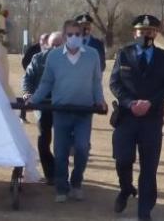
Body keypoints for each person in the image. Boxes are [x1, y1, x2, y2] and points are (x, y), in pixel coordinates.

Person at [29, 20, 106, 203]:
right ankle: (62, 188)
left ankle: (77, 182)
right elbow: (47, 82)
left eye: (77, 34)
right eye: (70, 35)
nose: (74, 38)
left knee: (82, 147)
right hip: (61, 110)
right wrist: (35, 99)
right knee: (61, 151)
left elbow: (96, 81)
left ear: (82, 36)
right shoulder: (54, 57)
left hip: (83, 111)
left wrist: (99, 100)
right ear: (64, 37)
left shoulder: (92, 55)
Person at [110, 15, 164, 220]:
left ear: (155, 34)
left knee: (149, 166)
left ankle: (144, 210)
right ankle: (126, 188)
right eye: (141, 31)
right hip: (127, 117)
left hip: (152, 118)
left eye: (149, 32)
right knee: (122, 159)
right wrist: (130, 103)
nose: (145, 35)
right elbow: (115, 83)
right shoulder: (124, 54)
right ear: (134, 33)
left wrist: (150, 103)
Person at [21, 31, 64, 185]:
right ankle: (50, 174)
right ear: (47, 45)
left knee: (63, 141)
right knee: (44, 138)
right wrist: (27, 93)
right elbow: (28, 78)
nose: (56, 48)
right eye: (53, 45)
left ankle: (62, 173)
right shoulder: (38, 59)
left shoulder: (73, 61)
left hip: (64, 106)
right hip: (43, 104)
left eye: (60, 45)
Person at [20, 33, 49, 123]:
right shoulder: (35, 52)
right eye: (42, 40)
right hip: (36, 89)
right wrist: (29, 69)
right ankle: (22, 116)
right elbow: (25, 61)